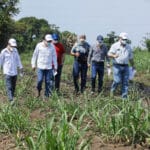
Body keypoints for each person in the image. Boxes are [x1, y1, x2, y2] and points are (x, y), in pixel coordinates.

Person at [108, 32, 134, 98]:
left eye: (126, 39)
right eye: (123, 39)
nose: (124, 41)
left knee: (125, 82)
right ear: (119, 38)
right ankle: (112, 91)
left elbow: (131, 58)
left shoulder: (129, 47)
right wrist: (114, 55)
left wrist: (133, 65)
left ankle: (124, 97)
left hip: (125, 66)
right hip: (117, 66)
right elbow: (109, 54)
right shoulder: (115, 45)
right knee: (117, 80)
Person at [0, 38, 23, 103]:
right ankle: (11, 100)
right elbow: (0, 62)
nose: (13, 47)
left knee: (13, 86)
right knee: (9, 86)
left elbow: (18, 59)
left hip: (14, 72)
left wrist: (21, 68)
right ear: (8, 44)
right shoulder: (3, 52)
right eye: (12, 46)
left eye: (14, 46)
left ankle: (12, 97)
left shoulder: (16, 51)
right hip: (7, 72)